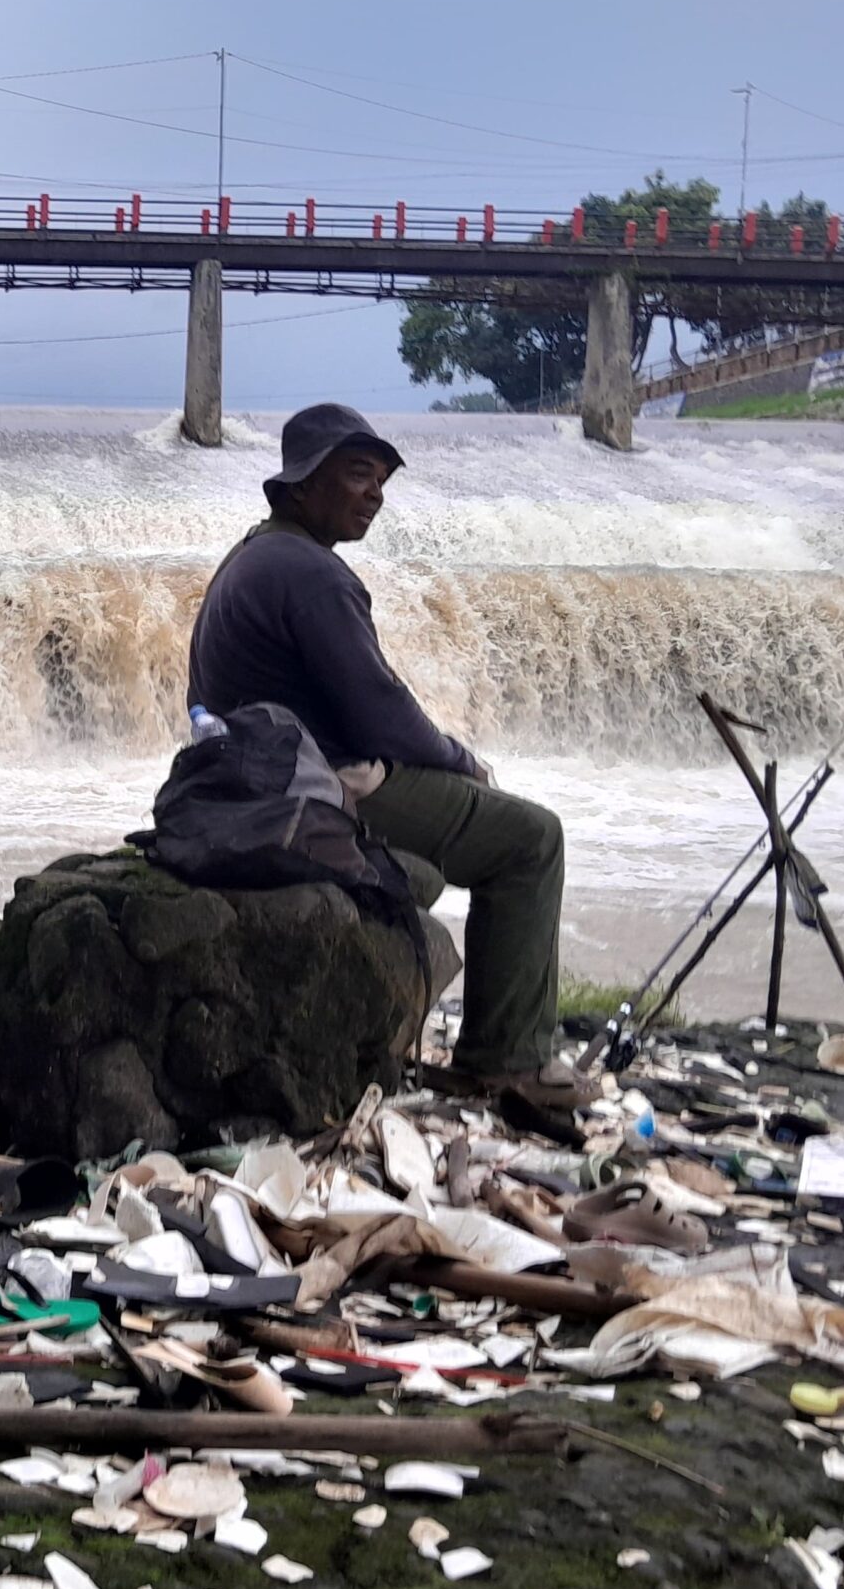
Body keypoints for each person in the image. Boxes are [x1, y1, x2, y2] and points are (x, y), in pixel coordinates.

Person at [186, 401, 599, 1110]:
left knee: (476, 832)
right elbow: (383, 714)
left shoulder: (251, 556)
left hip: (254, 787)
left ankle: (490, 1049)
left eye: (381, 480)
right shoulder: (314, 575)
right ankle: (508, 1062)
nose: (375, 493)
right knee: (531, 839)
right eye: (358, 475)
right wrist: (463, 761)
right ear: (303, 483)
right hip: (314, 793)